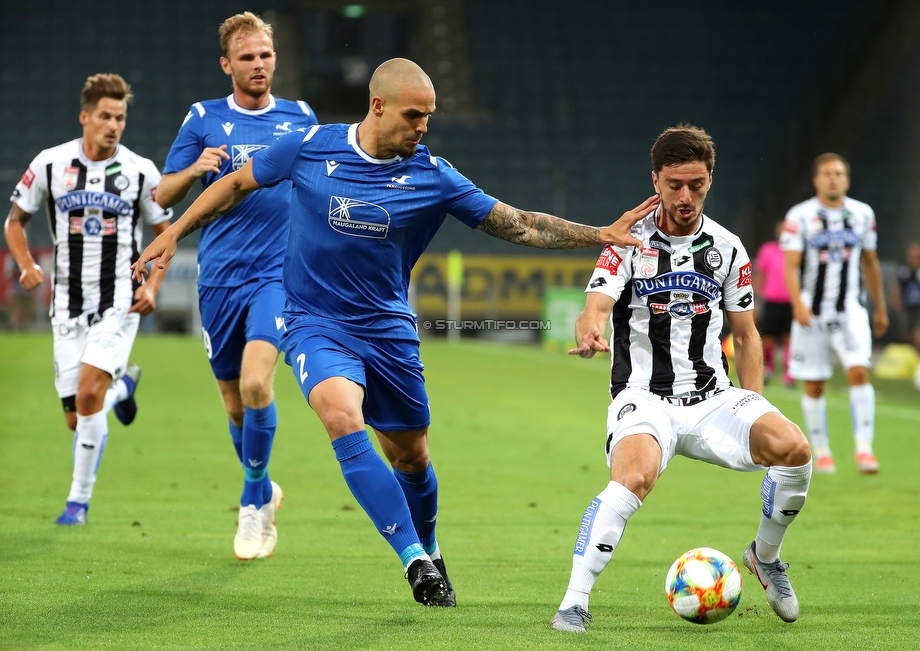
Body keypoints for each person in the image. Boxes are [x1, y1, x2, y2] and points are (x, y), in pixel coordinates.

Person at [133, 58, 658, 607]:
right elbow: (238, 182)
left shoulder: (433, 175)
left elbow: (516, 221)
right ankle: (414, 561)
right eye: (414, 115)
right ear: (378, 106)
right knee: (340, 415)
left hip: (386, 330)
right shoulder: (311, 145)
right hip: (314, 322)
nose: (423, 126)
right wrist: (174, 234)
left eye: (429, 116)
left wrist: (597, 233)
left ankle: (429, 546)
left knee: (411, 457)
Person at [549, 125, 811, 633]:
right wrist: (588, 330)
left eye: (695, 184)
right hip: (644, 396)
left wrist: (754, 404)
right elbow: (595, 307)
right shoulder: (626, 243)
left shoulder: (728, 248)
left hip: (715, 398)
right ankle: (574, 602)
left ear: (710, 180)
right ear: (656, 180)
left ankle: (764, 556)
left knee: (795, 450)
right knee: (632, 479)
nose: (685, 196)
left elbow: (748, 335)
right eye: (674, 185)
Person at [154, 12, 318, 561]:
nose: (258, 65)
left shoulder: (300, 118)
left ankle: (252, 506)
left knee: (255, 385)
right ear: (227, 65)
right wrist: (195, 167)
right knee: (233, 404)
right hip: (219, 277)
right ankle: (266, 485)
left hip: (278, 275)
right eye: (247, 57)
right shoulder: (203, 118)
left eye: (266, 55)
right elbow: (163, 194)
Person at [3, 73, 172, 525]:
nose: (113, 124)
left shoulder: (140, 171)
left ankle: (77, 502)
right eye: (104, 116)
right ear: (85, 117)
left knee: (87, 394)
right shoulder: (50, 164)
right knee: (78, 419)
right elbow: (15, 222)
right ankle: (124, 388)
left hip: (119, 300)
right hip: (67, 306)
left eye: (119, 117)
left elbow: (166, 236)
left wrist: (152, 285)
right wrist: (24, 264)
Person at [781, 153, 888, 475]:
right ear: (816, 180)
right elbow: (791, 265)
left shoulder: (861, 214)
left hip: (851, 310)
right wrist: (798, 303)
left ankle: (864, 450)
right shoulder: (800, 216)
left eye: (838, 173)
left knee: (859, 371)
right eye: (826, 173)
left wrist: (879, 307)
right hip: (812, 312)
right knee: (815, 382)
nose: (833, 178)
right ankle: (823, 451)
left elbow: (870, 261)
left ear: (847, 180)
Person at [754, 221, 794, 386]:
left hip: (790, 302)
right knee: (768, 337)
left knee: (789, 339)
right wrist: (755, 298)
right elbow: (760, 275)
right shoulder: (767, 250)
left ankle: (789, 374)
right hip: (771, 301)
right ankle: (768, 367)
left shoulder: (795, 252)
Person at [891, 242, 920, 355]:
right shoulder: (904, 268)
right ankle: (909, 353)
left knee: (919, 328)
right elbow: (898, 286)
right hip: (906, 303)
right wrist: (896, 300)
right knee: (907, 330)